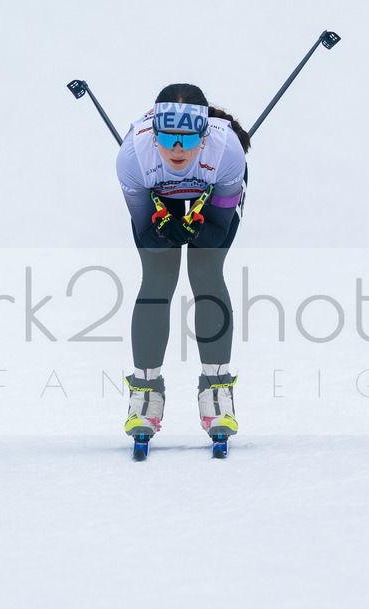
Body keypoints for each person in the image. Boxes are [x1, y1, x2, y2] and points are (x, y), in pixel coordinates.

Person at [115, 83, 250, 442]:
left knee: (205, 271)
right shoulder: (133, 157)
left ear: (204, 137)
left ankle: (217, 391)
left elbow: (218, 230)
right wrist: (161, 232)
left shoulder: (227, 153)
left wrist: (201, 230)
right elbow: (145, 230)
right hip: (158, 194)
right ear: (154, 133)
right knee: (158, 277)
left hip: (212, 192)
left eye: (189, 140)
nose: (177, 150)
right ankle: (145, 392)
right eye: (168, 138)